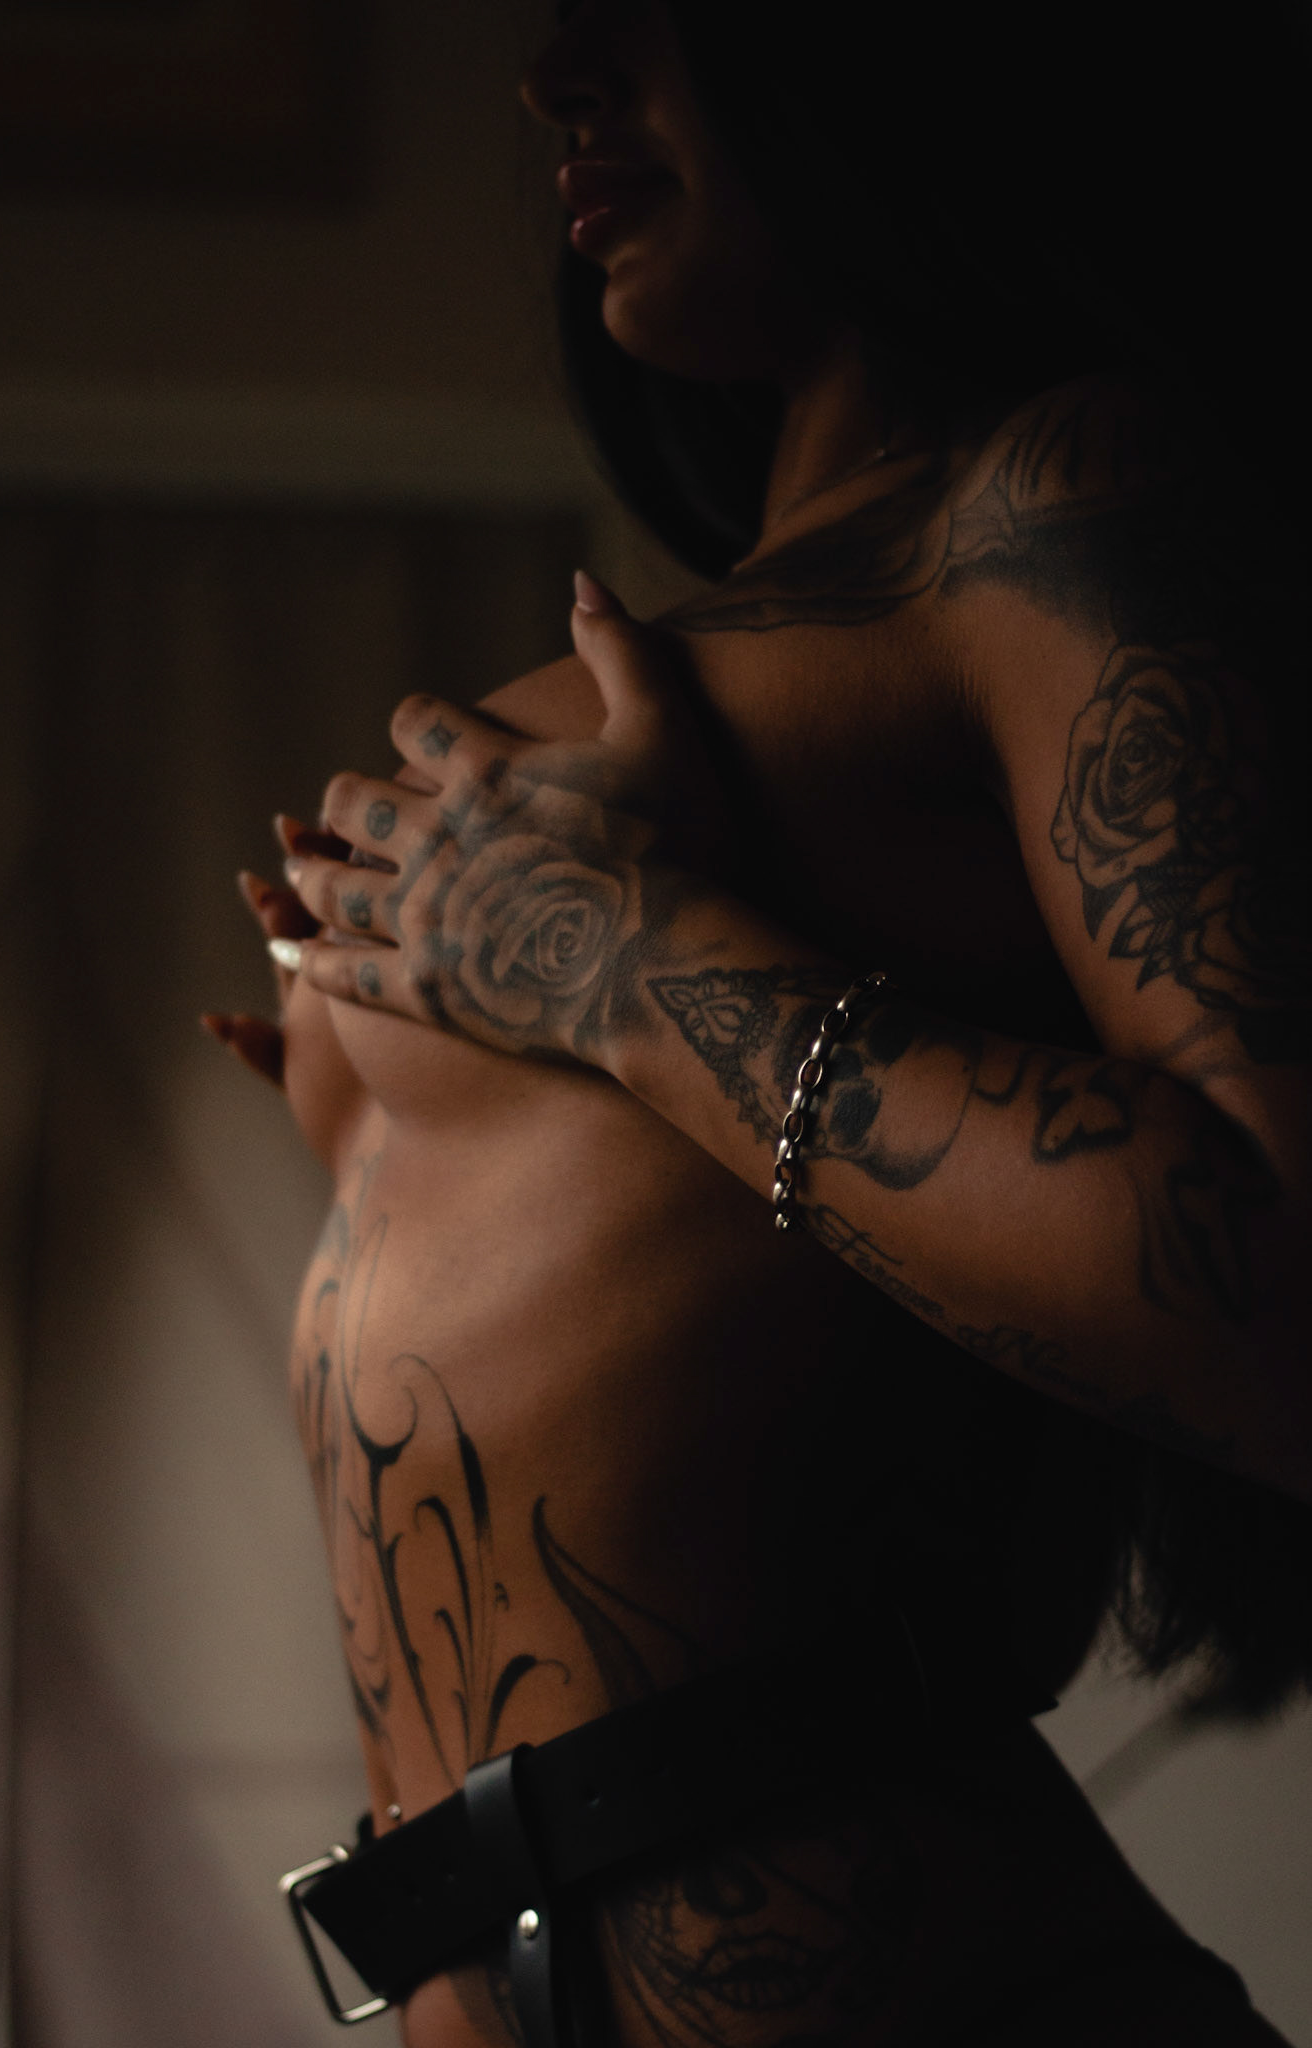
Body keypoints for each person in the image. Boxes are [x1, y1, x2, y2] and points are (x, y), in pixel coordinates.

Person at [205, 2, 1311, 2042]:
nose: (552, 74)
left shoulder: (1058, 493)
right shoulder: (793, 612)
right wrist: (443, 1093)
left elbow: (1273, 1264)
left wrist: (622, 973)